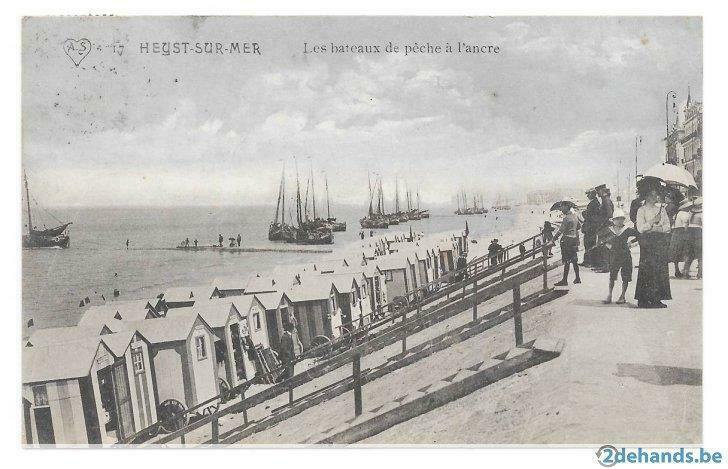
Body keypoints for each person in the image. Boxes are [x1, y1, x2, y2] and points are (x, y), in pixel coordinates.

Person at [634, 185, 672, 308]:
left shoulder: (662, 210)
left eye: (656, 194)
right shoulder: (641, 210)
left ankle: (656, 299)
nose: (655, 197)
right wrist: (652, 221)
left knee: (659, 269)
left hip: (659, 242)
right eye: (652, 194)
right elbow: (640, 228)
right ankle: (643, 300)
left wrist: (658, 228)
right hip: (647, 243)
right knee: (647, 269)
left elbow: (668, 227)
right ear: (646, 196)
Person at [601, 209, 639, 304]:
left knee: (625, 277)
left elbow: (639, 235)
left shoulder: (627, 230)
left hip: (625, 255)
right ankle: (609, 295)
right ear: (613, 220)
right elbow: (601, 238)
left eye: (621, 218)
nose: (619, 221)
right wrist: (608, 245)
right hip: (614, 255)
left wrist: (631, 243)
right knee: (612, 276)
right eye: (617, 219)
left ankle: (622, 296)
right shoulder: (609, 230)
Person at [551, 201, 582, 286]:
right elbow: (579, 226)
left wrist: (553, 240)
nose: (561, 210)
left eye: (562, 207)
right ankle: (577, 278)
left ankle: (564, 281)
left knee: (566, 261)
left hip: (567, 241)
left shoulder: (566, 218)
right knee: (574, 260)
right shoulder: (575, 216)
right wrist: (572, 229)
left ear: (567, 207)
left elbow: (560, 231)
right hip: (574, 240)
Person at [669, 198, 692, 278]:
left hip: (676, 233)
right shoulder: (685, 214)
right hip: (682, 233)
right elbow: (686, 225)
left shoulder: (679, 213)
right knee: (686, 251)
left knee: (676, 252)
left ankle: (677, 270)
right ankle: (685, 271)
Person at [682, 197, 702, 279]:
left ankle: (685, 272)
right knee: (701, 255)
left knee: (689, 255)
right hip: (699, 234)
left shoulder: (690, 213)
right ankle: (700, 273)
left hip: (689, 234)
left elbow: (685, 226)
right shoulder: (702, 214)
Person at [581, 189, 600, 267]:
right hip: (591, 227)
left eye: (588, 194)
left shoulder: (593, 203)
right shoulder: (595, 203)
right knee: (588, 244)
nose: (587, 196)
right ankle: (587, 261)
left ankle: (590, 262)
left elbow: (591, 216)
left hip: (590, 228)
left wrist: (584, 213)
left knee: (589, 244)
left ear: (592, 194)